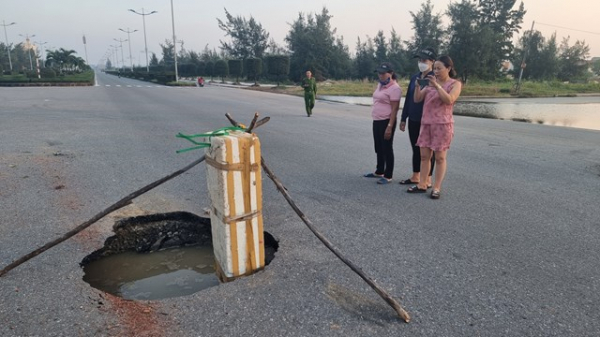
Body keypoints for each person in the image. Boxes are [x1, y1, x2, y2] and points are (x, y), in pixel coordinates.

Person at [407, 55, 462, 199]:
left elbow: (449, 100)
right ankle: (422, 184)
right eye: (435, 68)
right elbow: (417, 99)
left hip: (442, 125)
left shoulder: (454, 84)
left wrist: (437, 86)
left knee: (440, 158)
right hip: (426, 123)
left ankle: (436, 187)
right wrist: (419, 86)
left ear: (448, 68)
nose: (436, 71)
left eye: (439, 68)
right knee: (424, 156)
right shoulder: (431, 83)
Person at [398, 47, 437, 187]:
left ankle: (428, 179)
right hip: (413, 118)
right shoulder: (415, 77)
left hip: (427, 120)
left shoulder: (434, 78)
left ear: (432, 62)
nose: (421, 62)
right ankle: (416, 176)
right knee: (416, 148)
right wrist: (403, 118)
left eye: (424, 60)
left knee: (427, 151)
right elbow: (409, 99)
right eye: (419, 60)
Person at [363, 62, 402, 185]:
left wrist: (390, 126)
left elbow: (394, 109)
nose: (380, 75)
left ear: (390, 73)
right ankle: (379, 170)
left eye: (383, 73)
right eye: (379, 73)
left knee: (387, 147)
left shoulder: (395, 88)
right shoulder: (380, 85)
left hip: (387, 121)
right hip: (377, 119)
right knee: (378, 146)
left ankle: (388, 174)